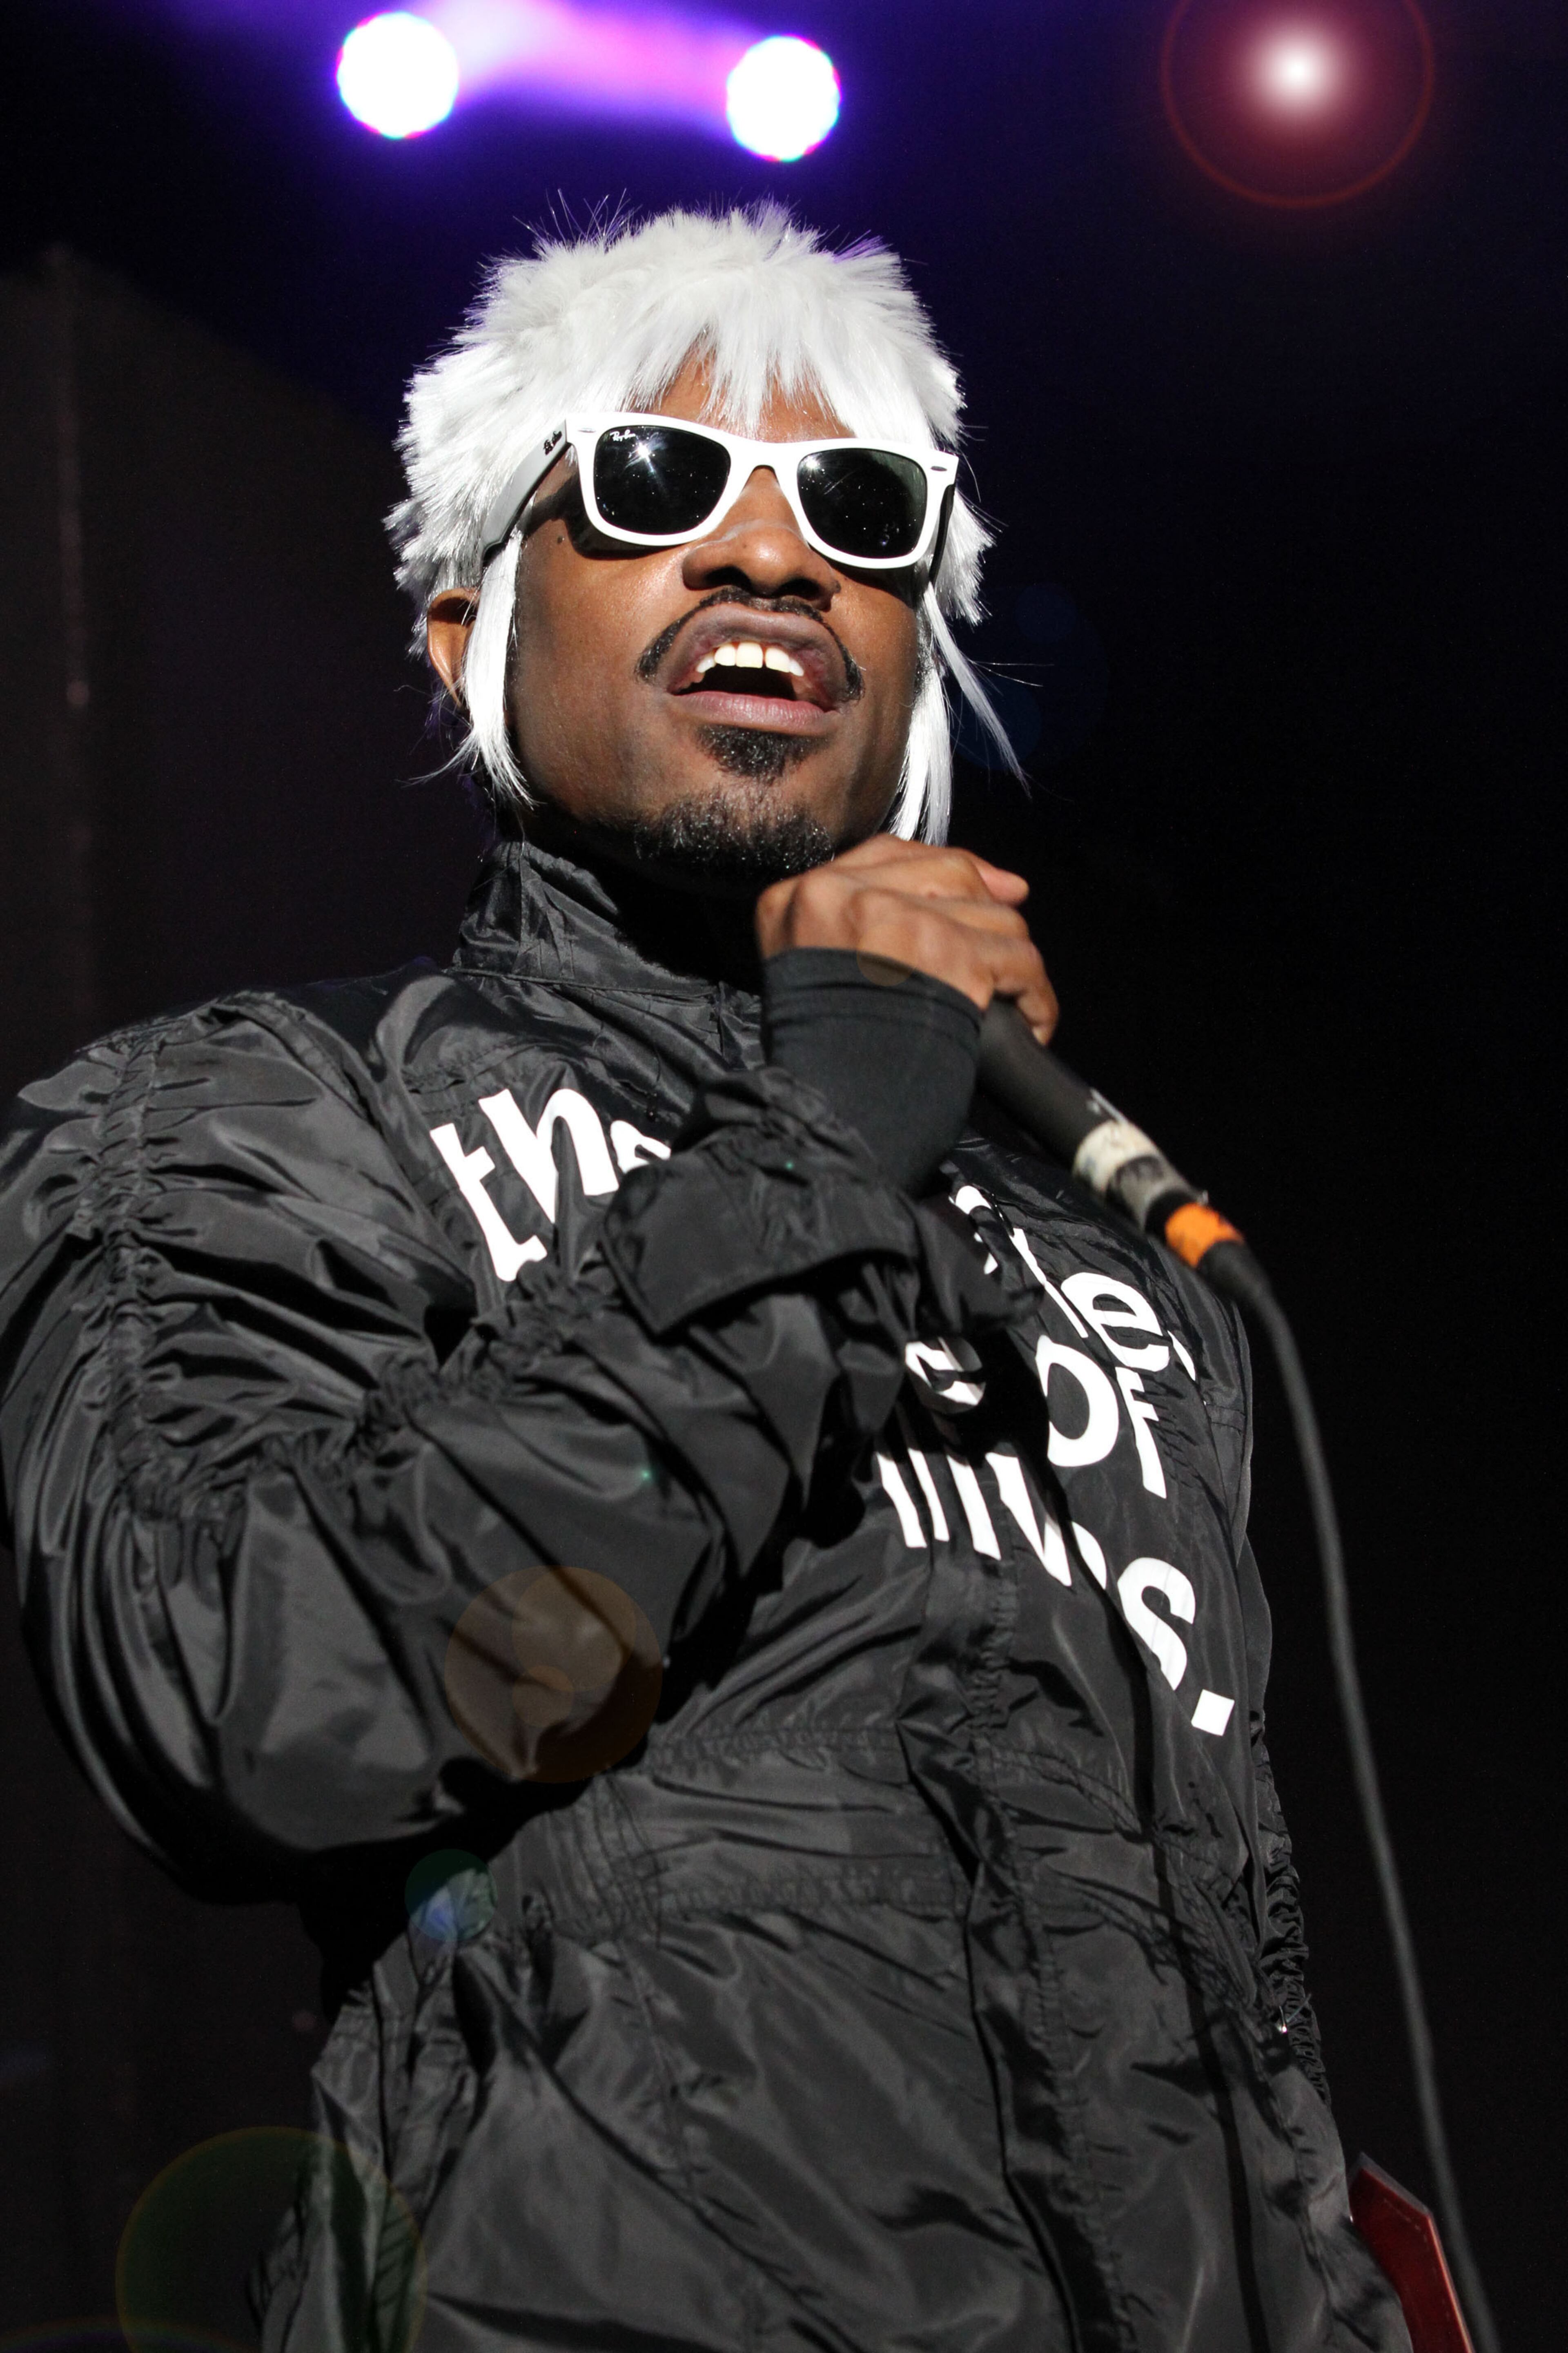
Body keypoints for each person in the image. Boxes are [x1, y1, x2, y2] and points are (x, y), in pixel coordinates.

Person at [0, 205, 1408, 2351]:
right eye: (657, 482)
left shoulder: (1114, 1283)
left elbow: (1238, 1995)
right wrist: (812, 1147)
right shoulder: (258, 1112)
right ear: (467, 625)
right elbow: (248, 1694)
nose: (771, 558)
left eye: (859, 512)